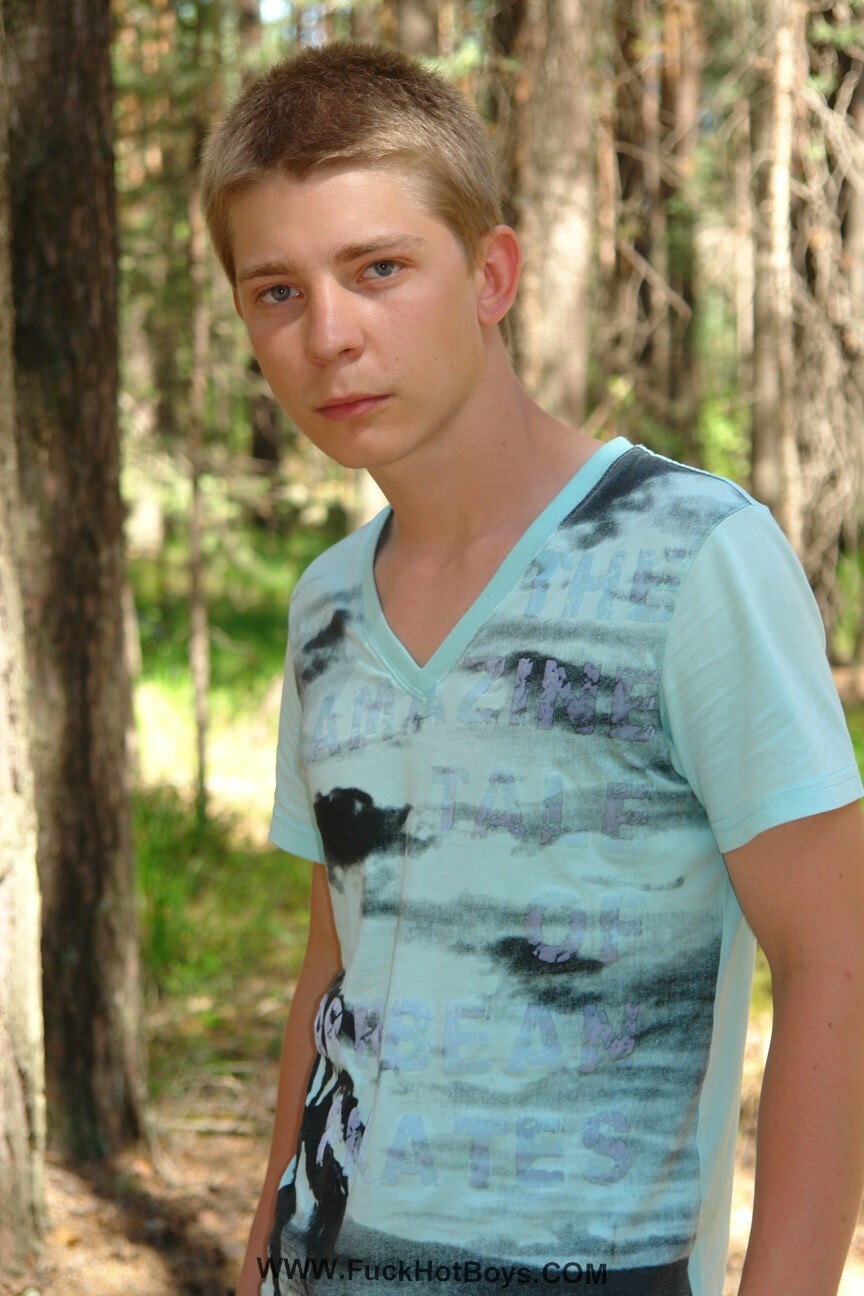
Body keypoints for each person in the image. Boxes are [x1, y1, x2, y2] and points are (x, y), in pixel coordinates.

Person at [201, 42, 864, 1296]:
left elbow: (840, 959)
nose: (329, 335)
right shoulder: (326, 605)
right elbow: (335, 964)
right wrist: (261, 1256)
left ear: (491, 275)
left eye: (379, 269)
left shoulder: (693, 556)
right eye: (276, 291)